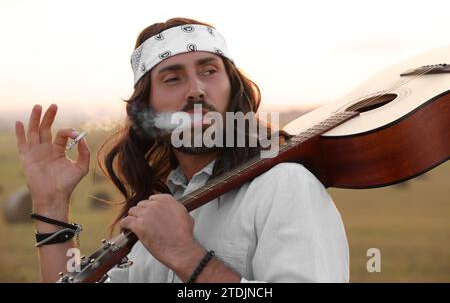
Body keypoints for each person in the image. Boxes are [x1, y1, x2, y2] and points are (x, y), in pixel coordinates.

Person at [15, 17, 349, 283]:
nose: (196, 90)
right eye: (172, 79)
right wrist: (52, 204)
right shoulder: (156, 214)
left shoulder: (284, 186)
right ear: (148, 106)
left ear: (233, 89)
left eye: (209, 71)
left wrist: (186, 255)